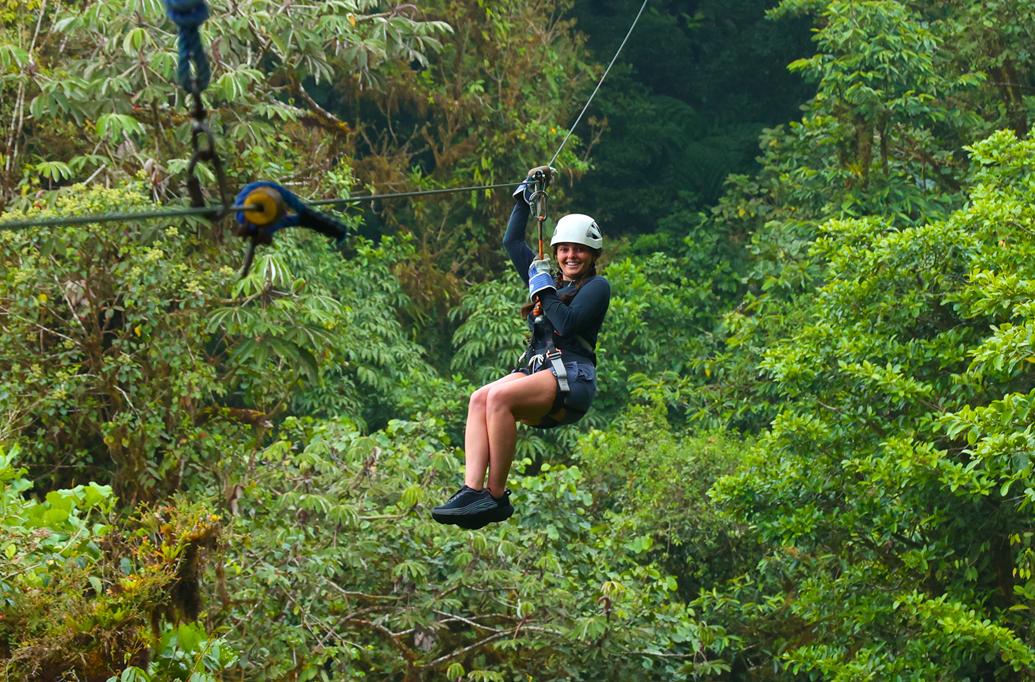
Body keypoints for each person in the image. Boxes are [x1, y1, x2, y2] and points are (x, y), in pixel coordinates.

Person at [431, 166, 611, 530]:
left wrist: (543, 287)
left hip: (572, 377)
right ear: (556, 252)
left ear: (592, 255)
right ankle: (472, 490)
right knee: (480, 398)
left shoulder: (597, 287)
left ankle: (496, 496)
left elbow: (567, 324)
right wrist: (524, 199)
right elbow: (512, 243)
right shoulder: (548, 279)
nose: (570, 256)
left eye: (579, 250)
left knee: (500, 399)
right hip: (540, 369)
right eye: (564, 249)